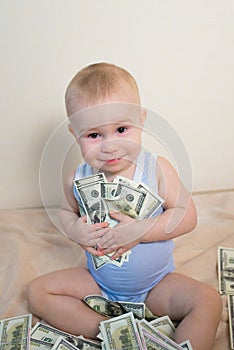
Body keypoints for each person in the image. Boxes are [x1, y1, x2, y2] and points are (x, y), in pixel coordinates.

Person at [26, 62, 222, 350]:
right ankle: (111, 333)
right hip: (99, 288)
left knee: (208, 300)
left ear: (141, 121)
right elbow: (65, 213)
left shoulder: (156, 169)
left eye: (121, 129)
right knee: (37, 292)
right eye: (94, 135)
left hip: (156, 286)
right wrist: (75, 230)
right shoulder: (78, 178)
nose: (110, 146)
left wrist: (141, 231)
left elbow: (187, 216)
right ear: (75, 134)